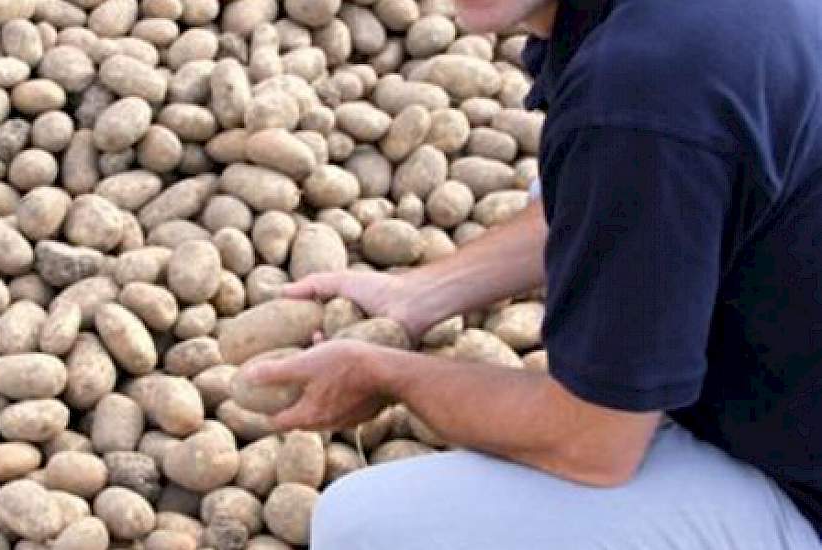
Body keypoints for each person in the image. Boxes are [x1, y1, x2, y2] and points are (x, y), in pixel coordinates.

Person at [242, 0, 822, 547]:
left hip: (805, 495)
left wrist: (390, 377)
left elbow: (595, 443)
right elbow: (617, 190)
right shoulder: (649, 49)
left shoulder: (636, 92)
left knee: (366, 526)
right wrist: (417, 293)